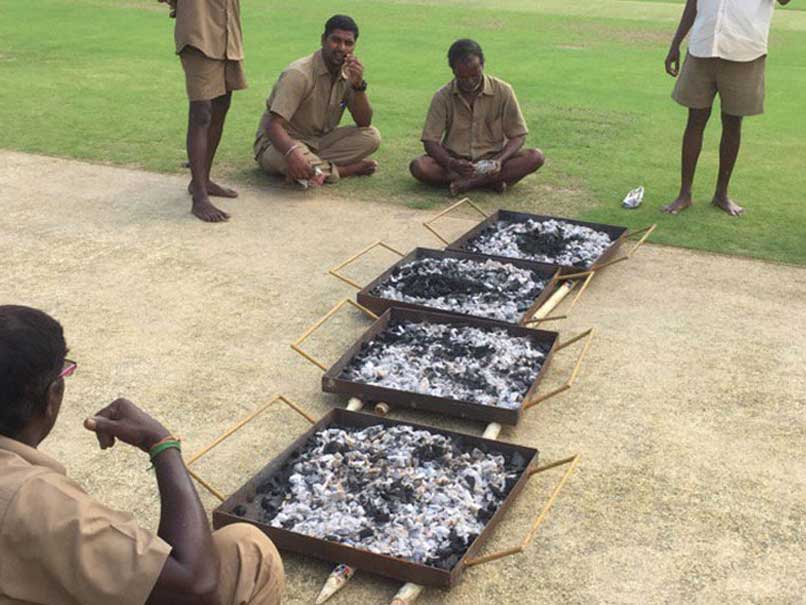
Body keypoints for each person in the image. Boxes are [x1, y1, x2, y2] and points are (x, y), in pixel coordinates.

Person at [0, 305, 284, 605]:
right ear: (52, 396)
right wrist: (162, 445)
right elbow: (194, 583)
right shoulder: (34, 499)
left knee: (235, 546)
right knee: (252, 554)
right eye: (65, 371)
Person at [663, 0, 792, 216]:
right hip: (702, 47)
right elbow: (693, 3)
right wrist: (675, 43)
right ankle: (684, 194)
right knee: (694, 121)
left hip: (744, 52)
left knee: (732, 124)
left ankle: (721, 194)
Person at [254, 15, 381, 187]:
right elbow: (273, 126)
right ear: (323, 40)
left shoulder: (348, 74)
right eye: (336, 40)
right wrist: (292, 153)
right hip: (280, 143)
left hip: (318, 141)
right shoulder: (299, 74)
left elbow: (364, 122)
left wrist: (359, 87)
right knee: (293, 159)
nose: (342, 48)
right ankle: (343, 170)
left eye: (348, 43)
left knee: (372, 136)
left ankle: (312, 167)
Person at [409, 39, 544, 196]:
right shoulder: (442, 96)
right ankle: (490, 181)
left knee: (535, 157)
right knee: (419, 166)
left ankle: (470, 183)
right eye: (462, 77)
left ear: (483, 65)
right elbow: (430, 142)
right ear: (453, 71)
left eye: (475, 75)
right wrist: (452, 163)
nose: (469, 82)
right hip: (456, 163)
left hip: (492, 161)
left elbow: (518, 136)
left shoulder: (503, 90)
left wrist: (498, 161)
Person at [163, 0, 247, 223]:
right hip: (199, 35)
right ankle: (199, 198)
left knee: (222, 105)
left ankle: (202, 181)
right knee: (201, 113)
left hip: (228, 34)